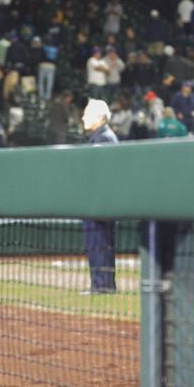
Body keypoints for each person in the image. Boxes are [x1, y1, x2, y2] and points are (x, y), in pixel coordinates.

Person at [80, 99, 119, 295]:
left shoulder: (103, 138)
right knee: (102, 245)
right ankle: (104, 284)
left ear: (99, 117)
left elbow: (101, 175)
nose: (82, 117)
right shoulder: (102, 136)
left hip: (98, 204)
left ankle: (101, 285)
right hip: (101, 203)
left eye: (87, 113)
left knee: (99, 245)